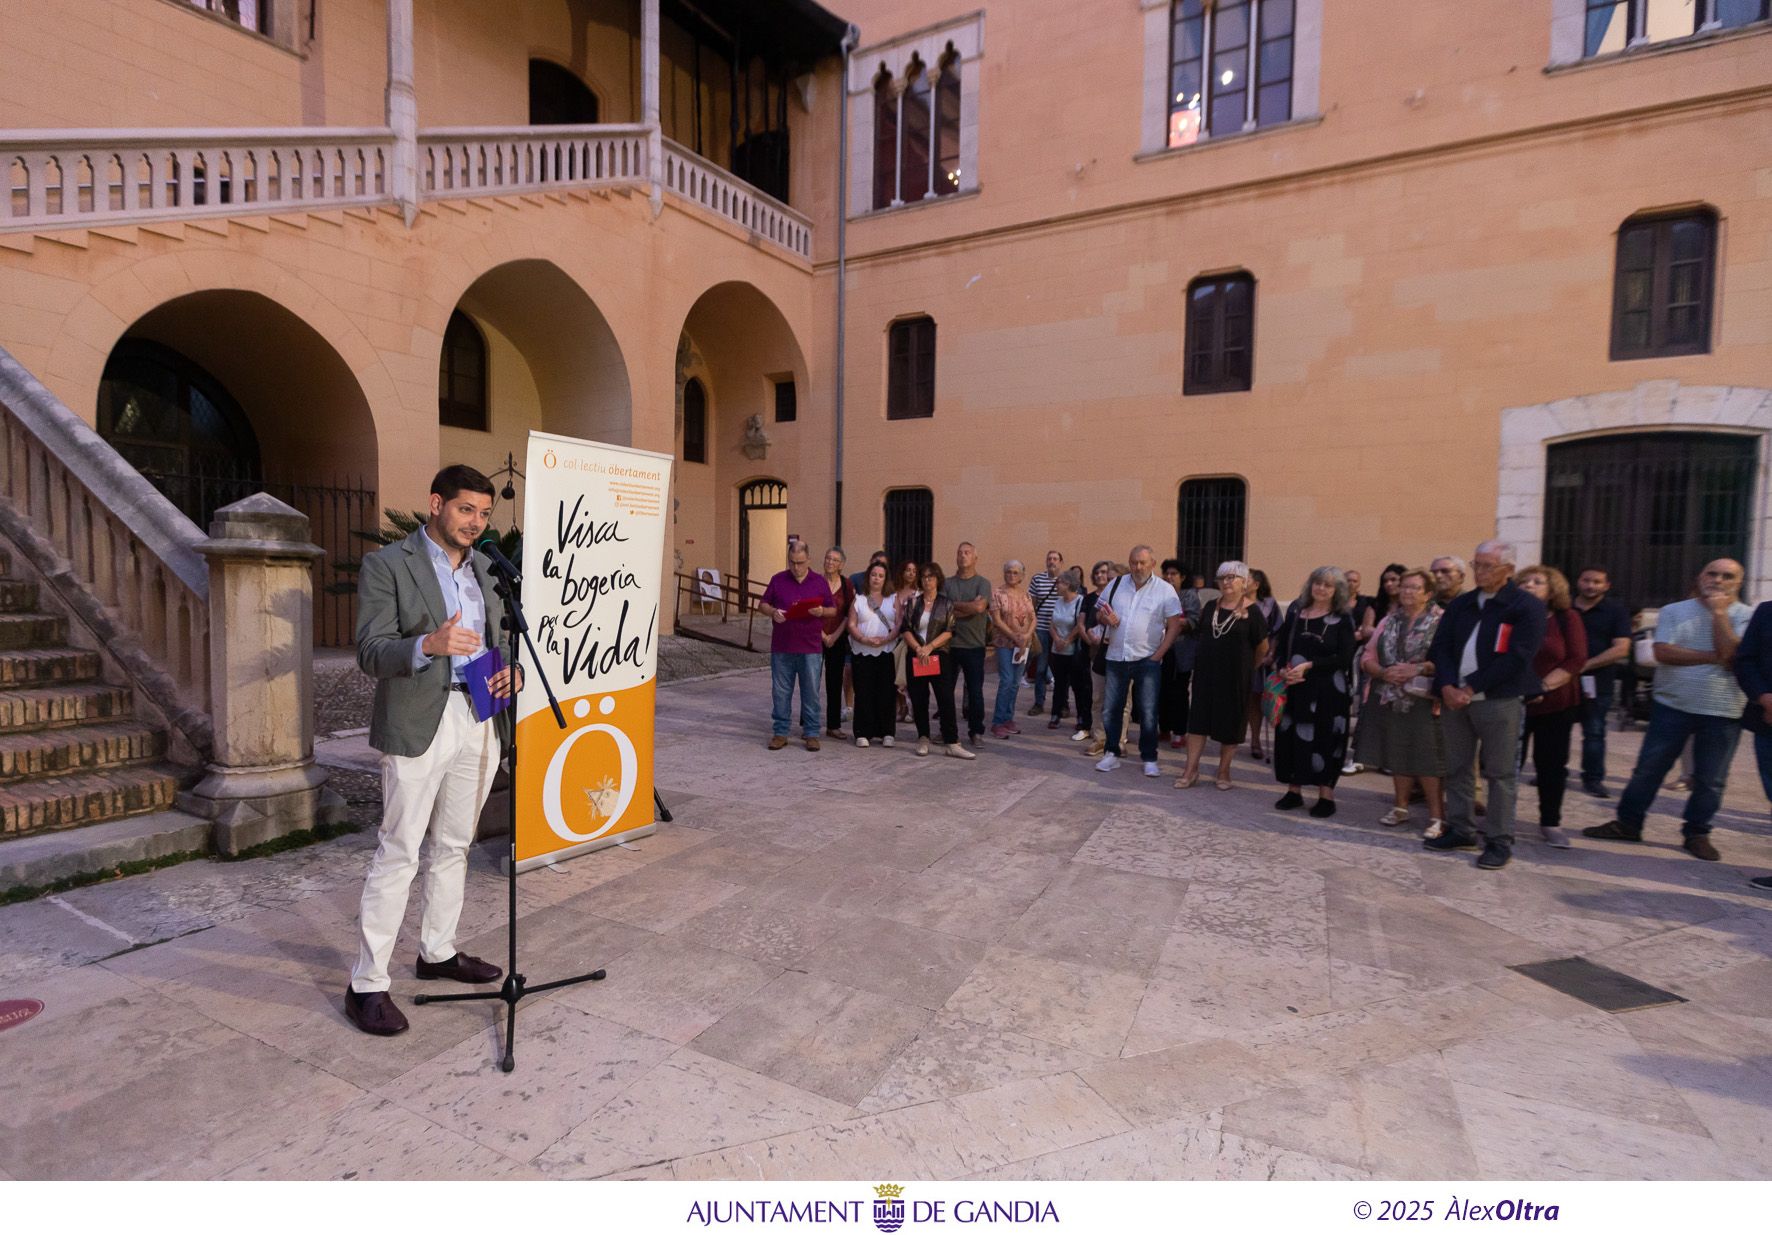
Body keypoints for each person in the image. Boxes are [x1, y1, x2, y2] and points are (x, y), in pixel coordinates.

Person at [344, 465, 517, 1036]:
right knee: (399, 850)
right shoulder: (388, 564)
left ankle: (437, 952)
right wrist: (427, 644)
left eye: (484, 513)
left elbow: (500, 639)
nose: (476, 523)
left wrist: (510, 672)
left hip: (478, 716)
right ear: (436, 504)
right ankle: (367, 984)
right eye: (466, 509)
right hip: (419, 720)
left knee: (455, 845)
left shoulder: (486, 570)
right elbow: (370, 651)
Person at [1584, 559, 1751, 862]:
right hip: (1672, 704)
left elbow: (1732, 658)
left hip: (1723, 709)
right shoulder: (1674, 611)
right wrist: (1715, 656)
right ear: (1700, 577)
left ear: (1739, 582)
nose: (1717, 580)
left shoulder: (1747, 616)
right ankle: (1628, 824)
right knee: (1649, 769)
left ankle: (1697, 833)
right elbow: (1663, 652)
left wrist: (1719, 614)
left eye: (1727, 576)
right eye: (1712, 574)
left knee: (1711, 779)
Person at [1425, 540, 1547, 871]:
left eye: (1487, 566)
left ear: (1508, 570)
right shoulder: (1462, 604)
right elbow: (1441, 647)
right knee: (1458, 767)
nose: (1479, 571)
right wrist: (1447, 686)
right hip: (1455, 699)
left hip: (1498, 700)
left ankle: (1498, 839)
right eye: (1476, 564)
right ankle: (1461, 829)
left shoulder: (1525, 606)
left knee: (1500, 772)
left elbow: (1518, 656)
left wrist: (1470, 687)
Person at [1358, 567, 1448, 834]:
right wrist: (1383, 672)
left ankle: (1437, 817)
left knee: (1427, 758)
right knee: (1397, 753)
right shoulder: (1389, 620)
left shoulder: (1441, 621)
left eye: (1414, 587)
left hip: (1425, 699)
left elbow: (1449, 659)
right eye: (1404, 586)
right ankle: (1400, 807)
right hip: (1390, 696)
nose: (1407, 591)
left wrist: (1416, 669)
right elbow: (1367, 656)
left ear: (1428, 593)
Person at [1271, 566, 1358, 817]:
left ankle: (1325, 796)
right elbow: (1282, 648)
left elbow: (1344, 657)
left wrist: (1310, 666)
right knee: (1292, 737)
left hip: (1329, 692)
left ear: (1337, 590)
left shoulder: (1343, 619)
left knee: (1326, 740)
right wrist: (1282, 670)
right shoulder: (1296, 613)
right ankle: (1294, 791)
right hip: (1296, 689)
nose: (1321, 588)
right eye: (1318, 583)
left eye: (1328, 585)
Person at [1094, 545, 1185, 777]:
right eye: (1134, 562)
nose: (1138, 567)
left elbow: (1174, 626)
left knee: (1148, 711)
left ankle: (1149, 757)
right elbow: (1098, 613)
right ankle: (1111, 752)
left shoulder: (1165, 590)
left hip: (1147, 659)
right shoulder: (1116, 584)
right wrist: (1105, 617)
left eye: (1143, 562)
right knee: (1111, 709)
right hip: (1117, 656)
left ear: (1152, 564)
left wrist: (1158, 655)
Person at [1179, 561, 1270, 790]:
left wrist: (1249, 668)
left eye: (1232, 577)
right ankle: (1190, 770)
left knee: (1231, 724)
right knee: (1197, 723)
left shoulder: (1253, 612)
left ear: (1244, 582)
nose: (1226, 582)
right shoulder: (1211, 606)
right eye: (1222, 578)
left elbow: (1263, 648)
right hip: (1206, 675)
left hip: (1235, 677)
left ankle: (1223, 771)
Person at [1517, 565, 1588, 849]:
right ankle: (1501, 817)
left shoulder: (1567, 618)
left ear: (1552, 590)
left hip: (1556, 703)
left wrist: (1541, 687)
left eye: (1537, 582)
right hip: (1514, 701)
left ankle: (1550, 822)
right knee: (1507, 764)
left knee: (1551, 766)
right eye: (1524, 581)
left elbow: (1576, 659)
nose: (1529, 585)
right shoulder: (1511, 616)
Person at [758, 542, 835, 751]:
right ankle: (780, 732)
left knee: (811, 692)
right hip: (782, 646)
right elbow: (762, 604)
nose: (796, 567)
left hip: (810, 647)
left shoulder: (819, 581)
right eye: (792, 562)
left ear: (808, 560)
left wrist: (821, 611)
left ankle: (811, 733)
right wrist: (772, 612)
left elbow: (833, 610)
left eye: (800, 563)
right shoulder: (778, 579)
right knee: (781, 691)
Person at [901, 562, 973, 759]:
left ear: (937, 579)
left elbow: (950, 630)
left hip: (938, 654)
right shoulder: (913, 603)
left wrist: (930, 647)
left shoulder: (946, 603)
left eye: (931, 577)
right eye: (924, 577)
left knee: (945, 698)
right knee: (919, 698)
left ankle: (952, 742)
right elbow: (906, 629)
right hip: (916, 655)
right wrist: (918, 648)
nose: (927, 580)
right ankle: (923, 737)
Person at [1572, 566, 1633, 798]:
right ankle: (1552, 772)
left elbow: (1621, 649)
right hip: (1561, 681)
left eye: (1597, 582)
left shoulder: (1616, 611)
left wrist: (1584, 665)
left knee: (1594, 732)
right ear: (1578, 581)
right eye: (1586, 580)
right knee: (1556, 731)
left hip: (1598, 682)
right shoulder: (1564, 607)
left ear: (1606, 586)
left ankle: (1593, 779)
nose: (1591, 586)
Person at [941, 542, 993, 748]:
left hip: (974, 645)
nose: (963, 556)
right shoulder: (947, 583)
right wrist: (968, 607)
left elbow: (980, 607)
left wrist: (954, 607)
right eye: (960, 552)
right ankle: (947, 731)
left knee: (975, 691)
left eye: (967, 553)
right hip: (948, 645)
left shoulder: (983, 583)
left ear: (975, 558)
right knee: (946, 691)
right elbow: (942, 610)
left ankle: (976, 731)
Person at [847, 560, 899, 747]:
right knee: (863, 692)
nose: (876, 578)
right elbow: (851, 624)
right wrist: (863, 639)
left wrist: (886, 639)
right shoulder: (859, 600)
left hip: (886, 651)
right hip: (862, 652)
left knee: (887, 692)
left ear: (885, 579)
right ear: (868, 577)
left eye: (880, 576)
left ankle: (887, 732)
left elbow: (899, 623)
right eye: (873, 575)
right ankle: (863, 732)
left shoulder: (893, 599)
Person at [989, 559, 1037, 738]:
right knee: (1007, 680)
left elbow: (1033, 618)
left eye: (1015, 572)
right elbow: (997, 620)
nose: (1011, 575)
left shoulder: (1026, 595)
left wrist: (1026, 636)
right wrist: (1014, 636)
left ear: (1022, 576)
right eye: (1008, 571)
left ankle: (1008, 718)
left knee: (1016, 682)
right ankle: (998, 721)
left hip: (1022, 645)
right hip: (1005, 644)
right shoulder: (997, 593)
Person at [1159, 559, 1203, 748]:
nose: (1169, 577)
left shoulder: (1189, 596)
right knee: (1162, 690)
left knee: (1179, 692)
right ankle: (1164, 728)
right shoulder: (1159, 593)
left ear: (1182, 577)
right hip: (1162, 649)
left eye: (1174, 574)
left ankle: (1179, 732)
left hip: (1181, 651)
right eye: (1167, 574)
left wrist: (1174, 622)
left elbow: (1194, 621)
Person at [1046, 567, 1093, 740]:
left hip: (1073, 650)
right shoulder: (1058, 601)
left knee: (1077, 685)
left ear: (1068, 584)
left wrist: (1066, 640)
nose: (1057, 586)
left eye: (1059, 583)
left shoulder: (1080, 601)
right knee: (1059, 683)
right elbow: (1051, 623)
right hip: (1057, 649)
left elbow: (1079, 625)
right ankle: (1055, 714)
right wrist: (1056, 639)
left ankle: (1081, 716)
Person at [1080, 559, 1119, 757]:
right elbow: (1092, 620)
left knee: (1122, 702)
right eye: (1107, 577)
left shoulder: (1134, 598)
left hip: (1123, 655)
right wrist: (1102, 620)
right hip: (1102, 654)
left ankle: (1119, 740)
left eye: (1112, 578)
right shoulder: (1103, 597)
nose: (1108, 581)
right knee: (1098, 699)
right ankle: (1099, 739)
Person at [818, 547, 855, 741]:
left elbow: (849, 613)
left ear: (841, 564)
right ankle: (809, 724)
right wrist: (823, 635)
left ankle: (833, 726)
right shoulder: (816, 582)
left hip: (838, 638)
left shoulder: (847, 585)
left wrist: (834, 636)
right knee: (811, 681)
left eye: (834, 560)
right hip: (815, 636)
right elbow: (810, 611)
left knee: (834, 682)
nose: (830, 562)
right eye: (827, 558)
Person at [1246, 568, 1282, 761]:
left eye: (1246, 579)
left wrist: (1271, 654)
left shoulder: (1269, 604)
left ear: (1256, 584)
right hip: (1239, 657)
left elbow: (1277, 632)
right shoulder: (1234, 601)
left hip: (1261, 657)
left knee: (1255, 699)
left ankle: (1255, 740)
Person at [1027, 549, 1065, 718]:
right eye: (1049, 558)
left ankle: (1062, 704)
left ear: (1061, 562)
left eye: (1055, 559)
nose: (1052, 561)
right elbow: (1032, 605)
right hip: (1041, 629)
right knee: (1041, 669)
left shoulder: (1066, 580)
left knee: (1061, 670)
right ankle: (1039, 703)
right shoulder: (1037, 579)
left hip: (1060, 631)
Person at [890, 559, 920, 724]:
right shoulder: (893, 593)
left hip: (910, 639)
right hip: (892, 637)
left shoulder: (918, 594)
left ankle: (911, 708)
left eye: (914, 571)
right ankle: (900, 707)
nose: (911, 573)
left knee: (908, 675)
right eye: (908, 570)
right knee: (895, 674)